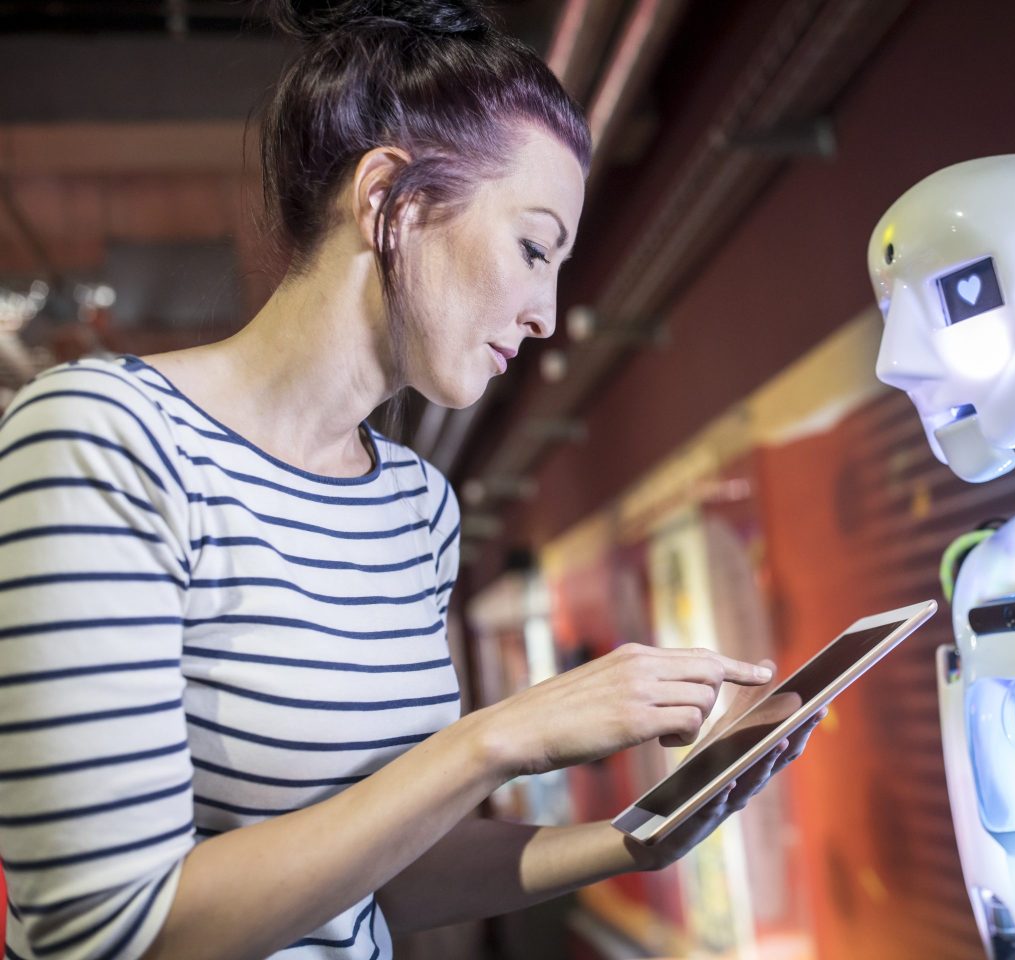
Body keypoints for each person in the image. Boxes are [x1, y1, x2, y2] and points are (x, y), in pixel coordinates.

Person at [0, 3, 819, 958]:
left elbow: (376, 879)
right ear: (391, 200)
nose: (547, 314)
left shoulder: (416, 507)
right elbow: (99, 936)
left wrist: (642, 834)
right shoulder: (107, 436)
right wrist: (498, 737)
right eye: (532, 247)